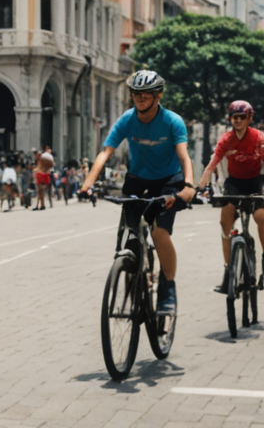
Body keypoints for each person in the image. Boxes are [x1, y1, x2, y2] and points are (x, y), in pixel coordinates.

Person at [81, 71, 196, 315]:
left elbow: (184, 156)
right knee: (131, 236)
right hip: (138, 180)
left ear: (158, 95)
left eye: (146, 95)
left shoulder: (172, 121)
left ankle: (168, 289)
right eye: (136, 95)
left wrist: (188, 186)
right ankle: (133, 275)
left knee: (159, 232)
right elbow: (105, 152)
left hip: (168, 181)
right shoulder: (127, 119)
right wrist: (87, 184)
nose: (140, 100)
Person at [206, 100, 264, 293]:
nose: (237, 121)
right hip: (235, 183)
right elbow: (213, 163)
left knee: (261, 217)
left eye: (242, 117)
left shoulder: (258, 137)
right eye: (234, 117)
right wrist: (201, 187)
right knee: (225, 219)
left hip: (258, 180)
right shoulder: (226, 139)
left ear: (249, 118)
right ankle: (228, 270)